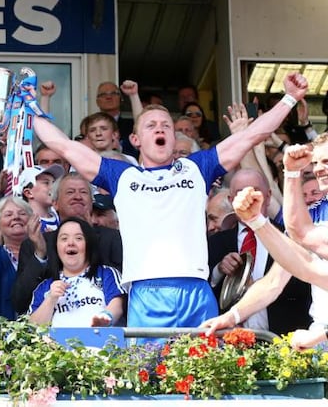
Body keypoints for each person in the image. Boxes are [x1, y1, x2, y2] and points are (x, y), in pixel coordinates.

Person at [33, 73, 308, 328]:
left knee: (206, 376)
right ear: (135, 139)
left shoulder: (197, 167)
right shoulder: (121, 175)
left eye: (166, 125)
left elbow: (250, 136)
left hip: (195, 290)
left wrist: (289, 98)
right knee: (149, 376)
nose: (159, 129)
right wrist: (29, 112)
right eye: (151, 125)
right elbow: (64, 146)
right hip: (146, 292)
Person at [206, 168, 311, 335]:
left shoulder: (287, 237)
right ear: (231, 199)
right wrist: (219, 270)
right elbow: (206, 288)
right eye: (241, 193)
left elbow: (302, 284)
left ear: (268, 196)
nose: (249, 198)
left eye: (255, 191)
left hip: (282, 340)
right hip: (229, 345)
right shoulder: (216, 242)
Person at [28, 217, 126, 327]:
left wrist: (105, 317)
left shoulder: (106, 274)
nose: (70, 243)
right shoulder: (45, 287)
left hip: (100, 341)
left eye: (78, 238)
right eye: (64, 239)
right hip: (56, 344)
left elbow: (117, 304)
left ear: (89, 244)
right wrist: (51, 299)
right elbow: (32, 328)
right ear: (56, 247)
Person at [0, 196, 43, 320]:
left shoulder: (43, 252)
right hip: (1, 333)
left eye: (22, 213)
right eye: (8, 215)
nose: (16, 217)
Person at [17, 165, 65, 232]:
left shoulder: (61, 217)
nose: (53, 187)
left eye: (54, 183)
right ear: (29, 193)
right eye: (46, 183)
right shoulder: (23, 223)